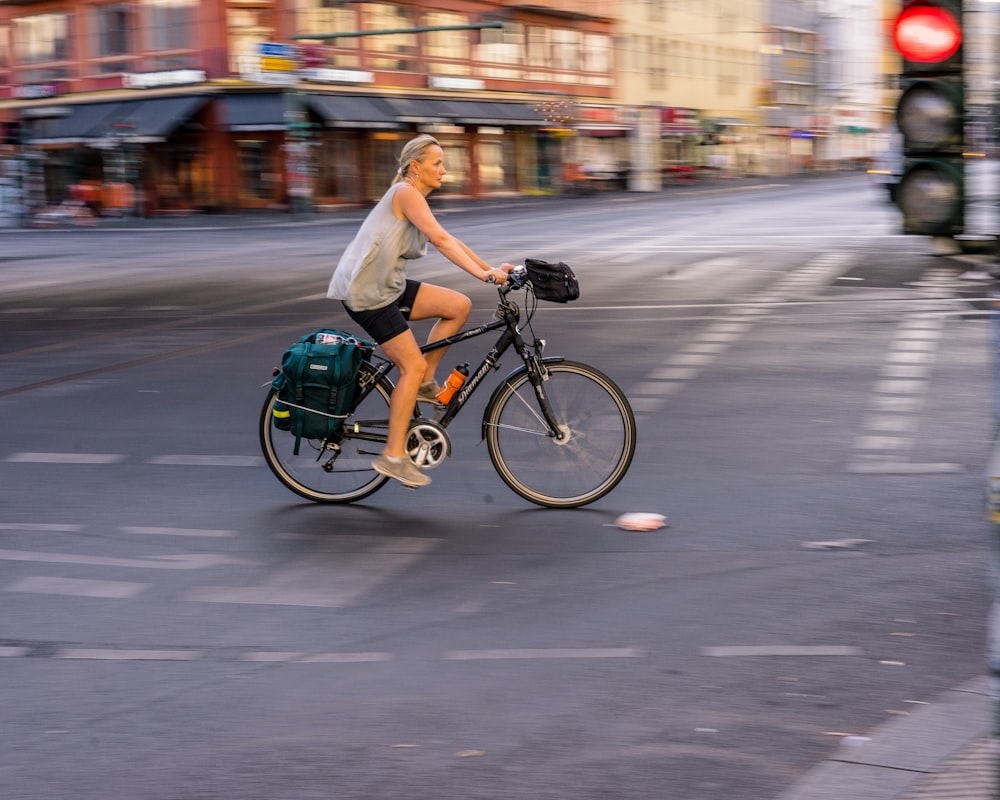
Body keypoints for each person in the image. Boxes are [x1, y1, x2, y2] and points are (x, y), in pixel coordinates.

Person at [327, 134, 512, 488]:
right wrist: (484, 275)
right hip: (367, 294)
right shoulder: (405, 194)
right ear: (416, 167)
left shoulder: (414, 197)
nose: (444, 170)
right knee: (409, 365)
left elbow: (450, 238)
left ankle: (426, 383)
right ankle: (393, 456)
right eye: (437, 163)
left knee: (457, 305)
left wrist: (492, 270)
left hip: (388, 288)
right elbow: (442, 243)